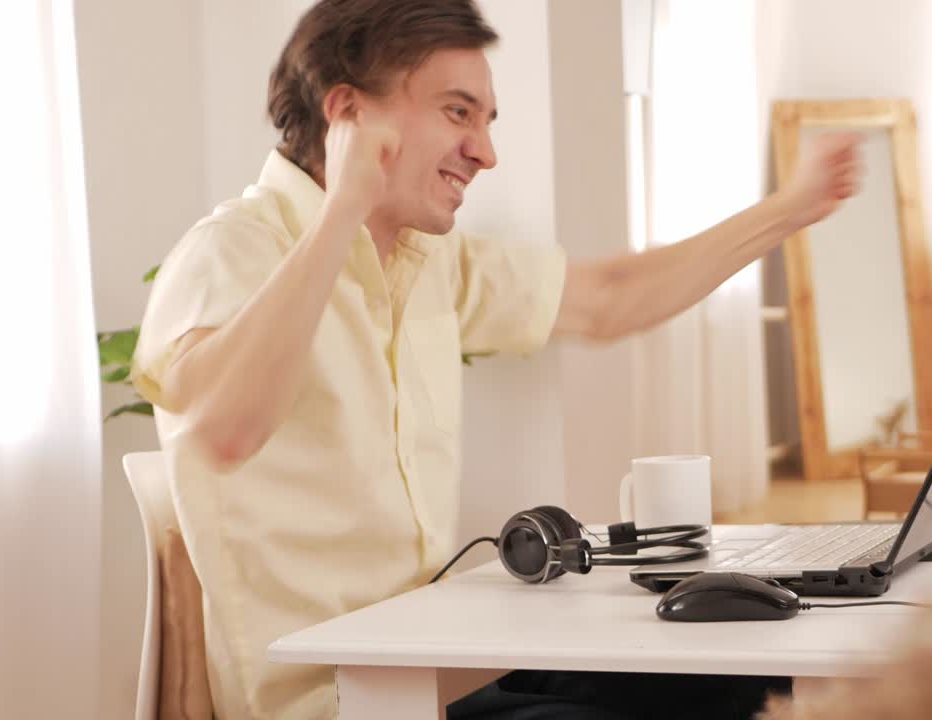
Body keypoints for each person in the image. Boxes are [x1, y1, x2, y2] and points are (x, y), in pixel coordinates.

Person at [131, 0, 859, 717]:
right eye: (458, 112)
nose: (485, 152)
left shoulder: (427, 262)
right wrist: (342, 209)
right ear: (347, 113)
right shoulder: (228, 251)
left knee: (747, 683)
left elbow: (607, 299)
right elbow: (224, 429)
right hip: (342, 699)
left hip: (438, 662)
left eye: (487, 121)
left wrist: (792, 207)